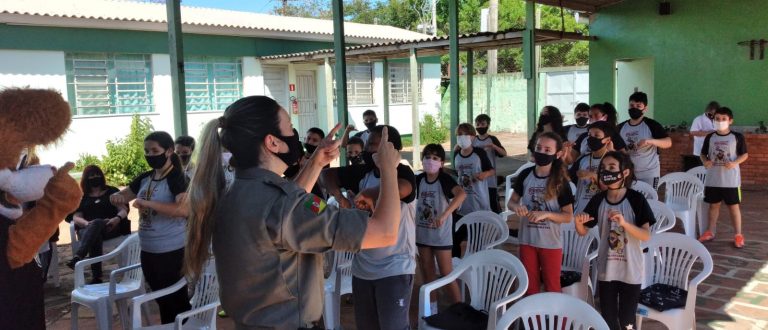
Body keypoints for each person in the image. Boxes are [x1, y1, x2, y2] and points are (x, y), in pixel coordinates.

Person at [184, 96, 403, 329]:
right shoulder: (281, 205)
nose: (295, 135)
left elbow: (287, 210)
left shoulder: (234, 193)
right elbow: (385, 232)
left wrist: (316, 162)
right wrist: (388, 169)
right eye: (289, 126)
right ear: (272, 142)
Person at [321, 125, 416, 330]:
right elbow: (327, 177)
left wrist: (371, 192)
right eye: (369, 144)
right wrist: (340, 198)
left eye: (376, 144)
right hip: (362, 267)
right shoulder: (362, 171)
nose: (370, 149)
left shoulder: (403, 172)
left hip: (395, 267)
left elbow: (402, 188)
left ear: (393, 150)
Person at [109, 131, 191, 324]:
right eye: (147, 151)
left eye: (155, 150)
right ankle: (170, 327)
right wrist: (115, 198)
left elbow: (183, 209)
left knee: (176, 300)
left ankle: (185, 326)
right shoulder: (146, 178)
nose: (150, 155)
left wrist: (148, 204)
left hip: (171, 250)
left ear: (169, 151)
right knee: (163, 299)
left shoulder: (177, 178)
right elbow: (126, 194)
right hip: (149, 250)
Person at [574, 151, 655, 330]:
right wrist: (578, 223)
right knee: (608, 318)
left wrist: (625, 223)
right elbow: (582, 231)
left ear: (624, 173)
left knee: (627, 319)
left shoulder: (636, 199)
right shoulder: (598, 200)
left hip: (631, 270)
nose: (606, 172)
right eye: (603, 168)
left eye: (612, 168)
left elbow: (646, 235)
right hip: (606, 269)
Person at [508, 132, 574, 295]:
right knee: (529, 287)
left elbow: (568, 216)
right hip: (527, 241)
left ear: (557, 154)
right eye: (538, 148)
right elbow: (511, 202)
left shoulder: (560, 181)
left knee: (552, 287)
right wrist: (517, 207)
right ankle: (532, 320)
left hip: (550, 243)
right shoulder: (525, 174)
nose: (541, 152)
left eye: (547, 149)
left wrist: (546, 214)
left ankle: (557, 321)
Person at [416, 144, 466, 314]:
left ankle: (460, 310)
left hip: (441, 236)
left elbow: (461, 194)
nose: (430, 161)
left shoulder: (444, 179)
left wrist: (444, 215)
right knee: (427, 272)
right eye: (427, 157)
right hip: (422, 234)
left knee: (446, 273)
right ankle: (432, 310)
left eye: (435, 158)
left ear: (441, 162)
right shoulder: (418, 179)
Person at [66, 165, 129, 283]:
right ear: (86, 179)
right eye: (91, 176)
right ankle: (96, 277)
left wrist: (117, 219)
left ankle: (80, 257)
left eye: (97, 174)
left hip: (110, 226)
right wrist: (87, 224)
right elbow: (76, 217)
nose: (95, 177)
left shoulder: (112, 192)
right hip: (86, 228)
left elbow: (123, 209)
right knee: (96, 230)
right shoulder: (82, 197)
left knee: (97, 226)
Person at [698, 107, 749, 248]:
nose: (720, 121)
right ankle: (710, 231)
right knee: (713, 206)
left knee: (733, 207)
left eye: (723, 119)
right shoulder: (710, 137)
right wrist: (705, 161)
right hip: (713, 179)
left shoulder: (737, 137)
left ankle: (738, 234)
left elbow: (744, 155)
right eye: (717, 119)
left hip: (731, 181)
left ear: (730, 121)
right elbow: (703, 154)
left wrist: (734, 163)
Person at [453, 123, 494, 257]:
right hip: (462, 205)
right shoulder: (457, 154)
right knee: (455, 239)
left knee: (476, 241)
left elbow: (492, 170)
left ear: (472, 137)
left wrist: (484, 175)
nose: (462, 137)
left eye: (465, 134)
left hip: (478, 203)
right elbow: (457, 174)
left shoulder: (479, 153)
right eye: (459, 135)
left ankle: (479, 265)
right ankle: (455, 266)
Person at [617, 92, 671, 189]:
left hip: (649, 173)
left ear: (645, 108)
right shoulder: (620, 127)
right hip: (628, 173)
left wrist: (649, 141)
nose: (634, 108)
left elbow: (668, 142)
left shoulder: (651, 124)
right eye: (632, 105)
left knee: (649, 201)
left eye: (638, 106)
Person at [569, 121, 614, 213]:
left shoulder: (613, 161)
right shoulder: (583, 160)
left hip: (602, 212)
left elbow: (614, 187)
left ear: (607, 140)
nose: (591, 138)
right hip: (580, 211)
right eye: (589, 135)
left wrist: (594, 175)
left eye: (597, 136)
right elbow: (568, 177)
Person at [472, 114, 507, 213]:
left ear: (488, 125)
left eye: (483, 124)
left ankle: (498, 223)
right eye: (478, 124)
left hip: (490, 178)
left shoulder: (492, 139)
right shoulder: (473, 139)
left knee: (493, 203)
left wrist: (494, 146)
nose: (480, 127)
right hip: (476, 176)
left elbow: (504, 153)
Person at [688, 101, 719, 169]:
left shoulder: (717, 119)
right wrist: (708, 133)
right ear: (707, 111)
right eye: (711, 113)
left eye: (714, 114)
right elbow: (692, 132)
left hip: (714, 150)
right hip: (701, 150)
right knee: (703, 169)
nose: (712, 115)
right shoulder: (698, 119)